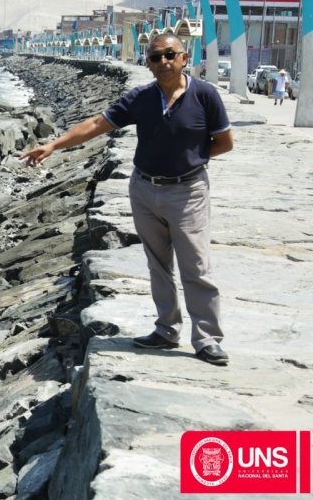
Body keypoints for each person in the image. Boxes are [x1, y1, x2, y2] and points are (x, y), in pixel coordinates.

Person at [20, 32, 234, 366]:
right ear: (147, 64)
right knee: (157, 264)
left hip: (187, 191)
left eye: (169, 55)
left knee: (196, 265)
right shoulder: (141, 98)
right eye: (155, 57)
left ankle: (207, 338)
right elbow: (97, 123)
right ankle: (166, 330)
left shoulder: (205, 95)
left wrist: (188, 159)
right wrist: (53, 146)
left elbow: (223, 142)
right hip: (144, 189)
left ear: (183, 57)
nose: (163, 62)